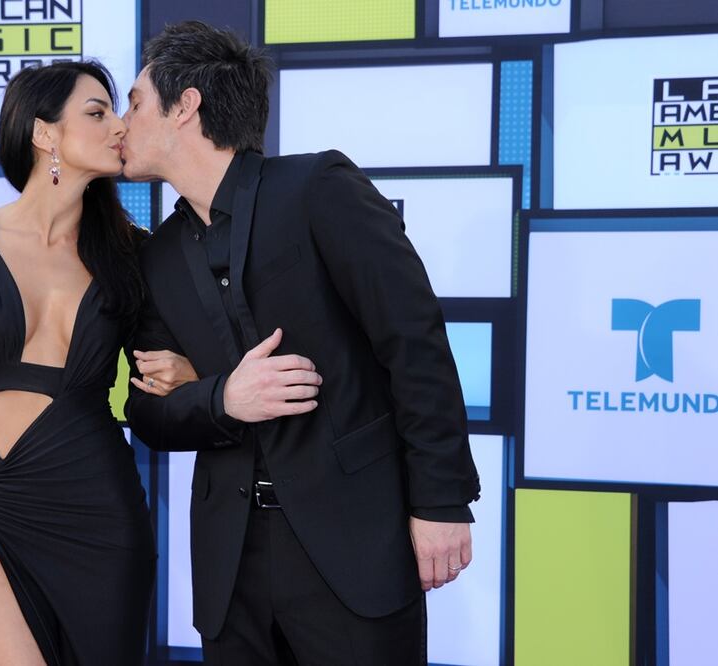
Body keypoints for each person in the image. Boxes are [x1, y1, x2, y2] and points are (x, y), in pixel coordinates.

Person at [122, 21, 482, 665]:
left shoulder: (317, 189)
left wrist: (442, 500)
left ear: (186, 106)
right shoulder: (160, 255)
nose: (122, 123)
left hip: (355, 547)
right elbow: (147, 411)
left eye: (136, 101)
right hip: (230, 567)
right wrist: (221, 398)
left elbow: (414, 341)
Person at [0, 61, 193, 666]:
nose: (119, 125)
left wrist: (190, 377)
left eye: (117, 111)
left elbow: (173, 371)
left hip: (99, 505)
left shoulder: (137, 254)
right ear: (44, 134)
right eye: (97, 112)